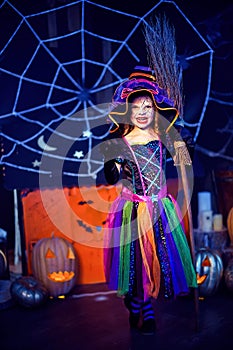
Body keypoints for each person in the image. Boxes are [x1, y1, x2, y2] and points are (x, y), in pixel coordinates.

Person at [100, 65, 198, 335]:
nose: (142, 112)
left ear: (156, 109)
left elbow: (182, 163)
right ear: (127, 110)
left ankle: (148, 310)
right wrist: (113, 164)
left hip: (160, 206)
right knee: (134, 263)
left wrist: (186, 146)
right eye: (137, 107)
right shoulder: (120, 140)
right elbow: (111, 177)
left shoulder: (162, 136)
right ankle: (136, 306)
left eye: (148, 106)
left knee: (156, 262)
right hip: (133, 208)